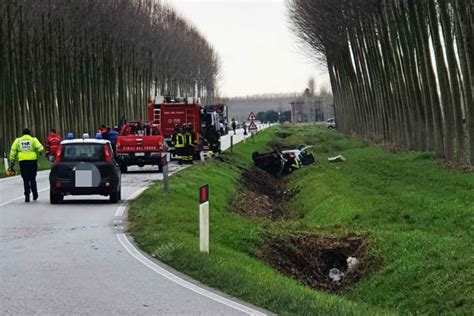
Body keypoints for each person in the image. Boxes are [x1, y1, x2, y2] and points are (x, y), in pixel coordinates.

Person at [9, 128, 44, 202]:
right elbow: (41, 148)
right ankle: (35, 194)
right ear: (29, 133)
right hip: (32, 161)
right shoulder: (33, 140)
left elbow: (13, 150)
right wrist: (39, 153)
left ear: (22, 134)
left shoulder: (18, 140)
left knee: (25, 179)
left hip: (23, 162)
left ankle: (27, 196)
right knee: (32, 178)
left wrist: (12, 160)